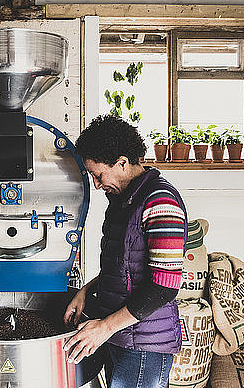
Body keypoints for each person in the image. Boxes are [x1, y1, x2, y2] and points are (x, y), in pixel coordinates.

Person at [63, 115, 187, 388]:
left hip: (143, 344)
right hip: (120, 334)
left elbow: (164, 286)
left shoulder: (160, 202)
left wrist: (104, 327)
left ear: (122, 162)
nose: (96, 185)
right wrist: (86, 291)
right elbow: (124, 268)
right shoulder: (123, 201)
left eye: (98, 175)